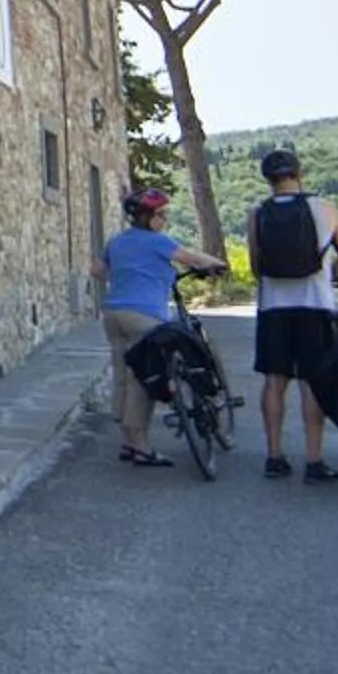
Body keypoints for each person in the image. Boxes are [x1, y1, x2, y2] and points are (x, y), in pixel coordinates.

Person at [247, 147, 338, 483]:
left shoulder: (258, 212)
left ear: (267, 179)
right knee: (312, 381)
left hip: (273, 308)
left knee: (274, 382)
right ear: (299, 172)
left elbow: (255, 266)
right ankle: (313, 460)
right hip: (316, 306)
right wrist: (332, 270)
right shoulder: (323, 208)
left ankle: (275, 457)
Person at [98, 186, 226, 466]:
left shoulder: (116, 242)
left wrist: (129, 273)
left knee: (122, 374)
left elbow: (98, 271)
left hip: (113, 314)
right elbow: (189, 257)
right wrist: (217, 263)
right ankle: (142, 447)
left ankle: (127, 442)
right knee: (145, 378)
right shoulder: (157, 241)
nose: (164, 219)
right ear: (148, 217)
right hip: (143, 316)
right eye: (161, 214)